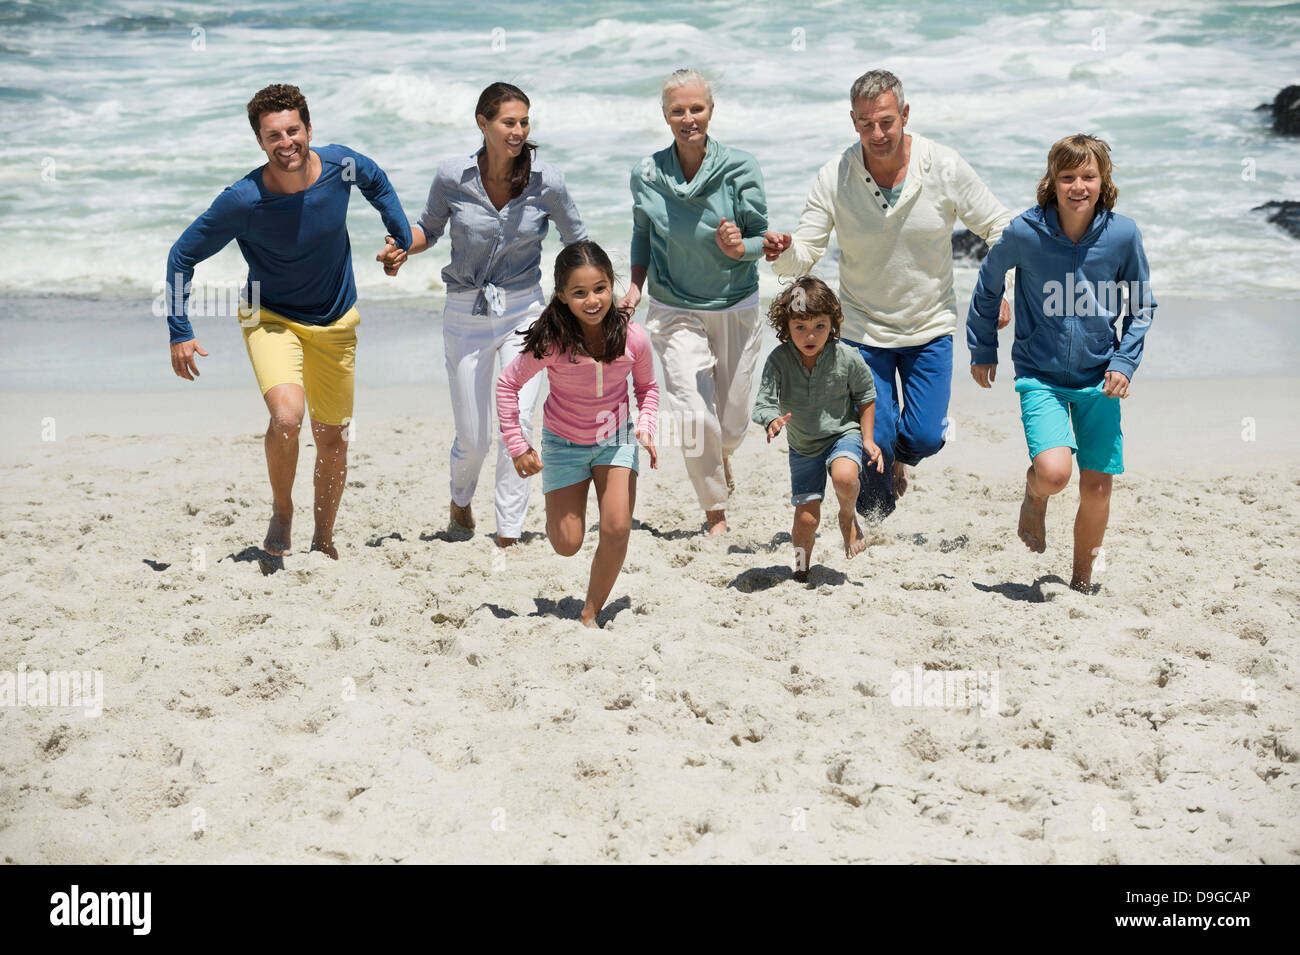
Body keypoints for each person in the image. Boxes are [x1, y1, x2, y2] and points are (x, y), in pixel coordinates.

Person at [166, 83, 411, 559]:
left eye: (293, 130)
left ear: (309, 129)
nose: (286, 143)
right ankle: (282, 510)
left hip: (336, 322)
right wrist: (180, 330)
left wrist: (398, 234)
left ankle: (323, 538)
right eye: (273, 135)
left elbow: (376, 179)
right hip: (270, 318)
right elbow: (182, 256)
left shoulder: (339, 164)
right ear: (260, 141)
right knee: (286, 418)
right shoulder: (242, 200)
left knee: (334, 440)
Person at [764, 69, 1011, 520]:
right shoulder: (835, 174)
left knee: (923, 437)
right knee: (872, 459)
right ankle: (876, 518)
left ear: (905, 115)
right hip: (861, 330)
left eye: (885, 122)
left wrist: (998, 291)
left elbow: (1000, 228)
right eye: (864, 124)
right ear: (853, 122)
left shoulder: (944, 165)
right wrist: (782, 254)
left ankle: (901, 460)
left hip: (929, 326)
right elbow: (805, 252)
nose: (876, 134)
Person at [379, 82, 586, 547]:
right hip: (464, 311)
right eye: (508, 122)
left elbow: (578, 241)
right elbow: (427, 230)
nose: (518, 131)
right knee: (473, 437)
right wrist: (400, 251)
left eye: (524, 122)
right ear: (483, 123)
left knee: (520, 420)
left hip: (525, 309)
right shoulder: (453, 176)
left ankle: (508, 533)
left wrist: (582, 303)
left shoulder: (546, 181)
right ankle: (460, 499)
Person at [967, 134, 1156, 593]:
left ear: (1102, 180)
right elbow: (990, 283)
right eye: (1067, 176)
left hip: (1100, 377)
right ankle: (1035, 495)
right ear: (1051, 181)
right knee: (1054, 474)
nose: (1077, 186)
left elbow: (1141, 305)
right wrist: (983, 347)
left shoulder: (1123, 235)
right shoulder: (1024, 232)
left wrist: (1124, 362)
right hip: (1041, 374)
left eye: (1087, 176)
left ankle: (1081, 581)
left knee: (1097, 488)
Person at [617, 68, 768, 536]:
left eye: (696, 108)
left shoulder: (741, 167)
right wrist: (636, 287)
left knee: (733, 424)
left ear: (711, 110)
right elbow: (642, 234)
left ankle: (722, 456)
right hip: (673, 306)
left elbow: (761, 238)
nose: (688, 118)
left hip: (735, 304)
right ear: (665, 116)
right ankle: (715, 514)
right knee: (691, 412)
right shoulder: (646, 174)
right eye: (678, 111)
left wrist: (738, 245)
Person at [497, 242, 659, 627]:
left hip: (615, 438)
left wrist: (648, 427)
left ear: (612, 286)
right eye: (580, 292)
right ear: (562, 296)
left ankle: (590, 613)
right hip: (563, 443)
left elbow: (648, 389)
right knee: (567, 543)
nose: (592, 300)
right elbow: (507, 385)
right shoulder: (552, 341)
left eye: (600, 288)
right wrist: (517, 445)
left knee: (617, 526)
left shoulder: (633, 337)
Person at [752, 277, 883, 581]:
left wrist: (867, 439)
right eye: (800, 327)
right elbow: (764, 402)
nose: (810, 335)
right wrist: (771, 420)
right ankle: (800, 568)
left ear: (833, 324)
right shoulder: (779, 360)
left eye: (819, 327)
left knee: (846, 478)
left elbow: (866, 395)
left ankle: (847, 518)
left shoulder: (846, 357)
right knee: (807, 520)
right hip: (803, 448)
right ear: (787, 327)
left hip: (842, 435)